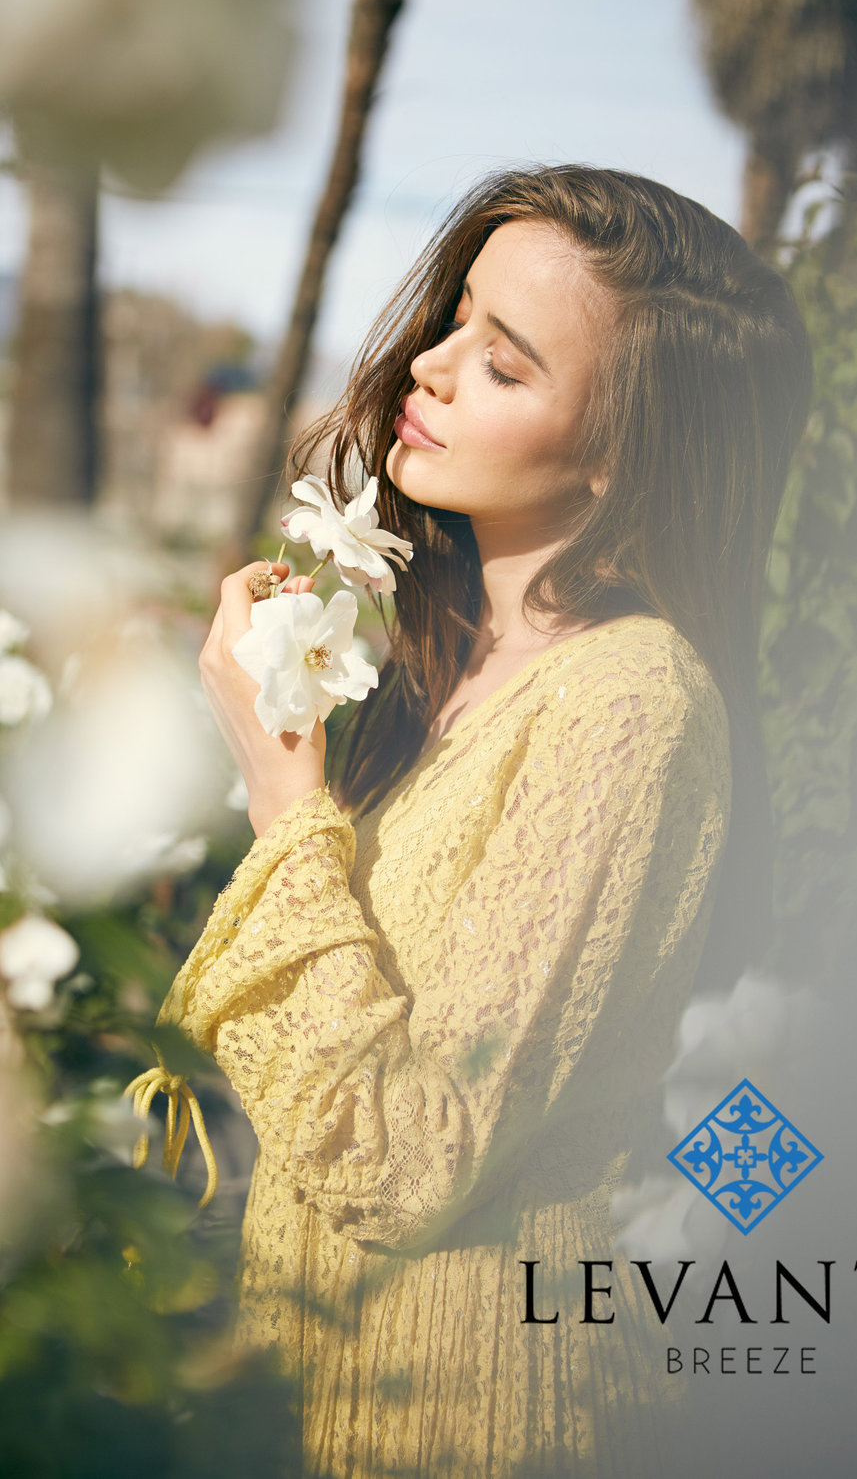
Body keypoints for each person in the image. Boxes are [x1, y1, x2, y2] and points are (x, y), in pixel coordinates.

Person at [127, 164, 812, 1478]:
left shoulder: (633, 706)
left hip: (469, 1417)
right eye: (454, 321)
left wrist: (287, 798)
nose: (428, 369)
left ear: (619, 453)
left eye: (503, 366)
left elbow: (404, 1161)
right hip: (308, 1383)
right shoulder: (436, 656)